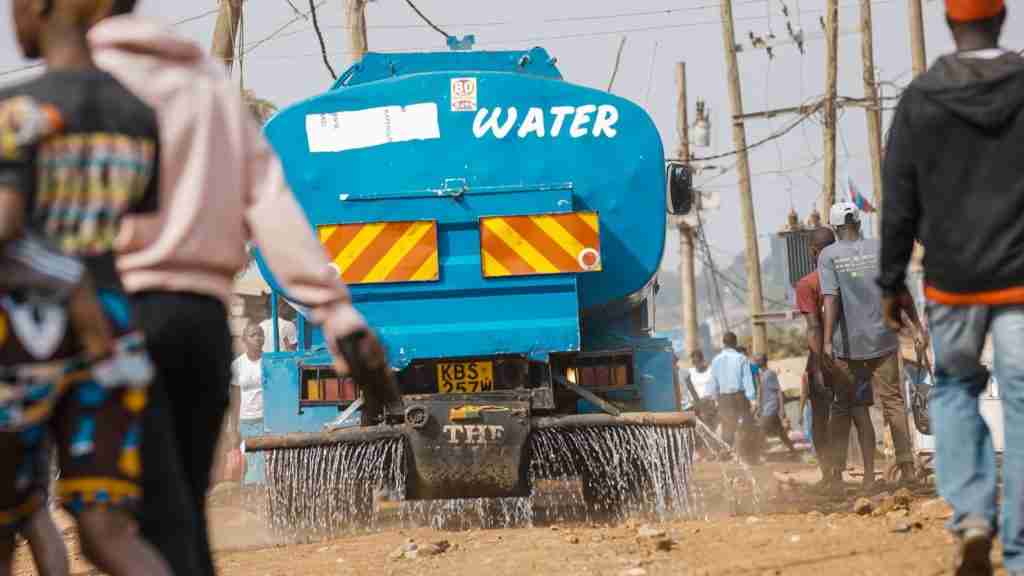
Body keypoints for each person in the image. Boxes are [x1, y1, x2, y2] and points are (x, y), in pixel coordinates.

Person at [88, 6, 389, 575]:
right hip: (199, 325)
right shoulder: (210, 89)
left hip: (110, 323)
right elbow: (273, 208)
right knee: (181, 512)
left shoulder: (70, 89)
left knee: (120, 519)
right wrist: (337, 316)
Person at [0, 0, 173, 572]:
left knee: (7, 525)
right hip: (113, 335)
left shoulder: (16, 110)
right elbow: (130, 220)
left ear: (41, 7)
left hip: (23, 341)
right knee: (107, 532)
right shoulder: (139, 114)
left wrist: (65, 281)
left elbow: (5, 228)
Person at [879, 1, 1024, 572]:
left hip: (953, 282)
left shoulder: (921, 99)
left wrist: (892, 282)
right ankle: (1019, 550)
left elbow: (900, 199)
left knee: (955, 387)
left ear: (948, 23)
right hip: (1020, 280)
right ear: (1002, 17)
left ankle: (972, 514)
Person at [820, 202, 923, 490]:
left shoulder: (829, 256)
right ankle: (907, 469)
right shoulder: (880, 248)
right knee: (893, 403)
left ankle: (836, 474)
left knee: (843, 406)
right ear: (859, 223)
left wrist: (827, 341)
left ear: (835, 228)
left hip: (848, 346)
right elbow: (900, 290)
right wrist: (916, 326)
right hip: (883, 340)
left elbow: (831, 299)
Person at [796, 227, 837, 486]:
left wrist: (819, 363)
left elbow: (813, 327)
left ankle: (828, 473)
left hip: (821, 357)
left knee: (820, 417)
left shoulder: (807, 284)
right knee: (851, 413)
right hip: (854, 355)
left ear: (813, 252)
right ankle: (854, 468)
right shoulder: (848, 277)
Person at [707, 332, 757, 457]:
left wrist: (714, 399)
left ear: (724, 343)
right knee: (746, 424)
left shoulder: (716, 360)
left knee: (727, 426)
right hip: (740, 396)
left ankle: (726, 454)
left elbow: (713, 382)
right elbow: (747, 379)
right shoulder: (741, 358)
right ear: (735, 343)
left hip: (724, 398)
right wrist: (752, 399)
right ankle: (746, 454)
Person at [230, 323, 266, 485]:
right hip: (246, 421)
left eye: (260, 334)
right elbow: (235, 397)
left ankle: (258, 494)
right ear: (244, 340)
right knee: (249, 460)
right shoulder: (237, 365)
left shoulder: (269, 362)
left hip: (266, 419)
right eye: (253, 335)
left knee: (262, 460)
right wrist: (233, 427)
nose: (258, 338)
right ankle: (251, 494)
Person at [756, 355, 796, 454]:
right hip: (766, 407)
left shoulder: (770, 374)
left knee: (761, 428)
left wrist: (782, 408)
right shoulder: (762, 374)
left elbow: (779, 391)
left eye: (758, 360)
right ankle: (792, 450)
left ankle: (759, 453)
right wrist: (759, 408)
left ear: (764, 361)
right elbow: (762, 393)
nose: (757, 362)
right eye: (756, 360)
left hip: (771, 406)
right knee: (780, 431)